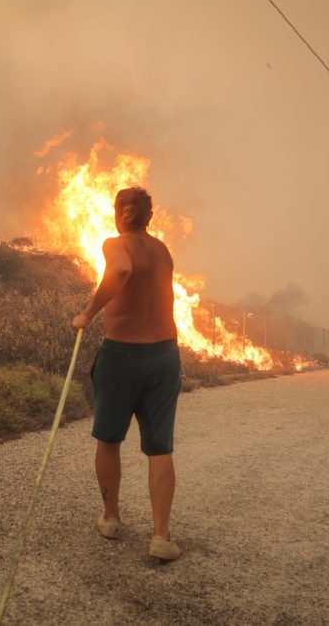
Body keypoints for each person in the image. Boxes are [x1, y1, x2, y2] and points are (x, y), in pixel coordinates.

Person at [71, 187, 183, 561]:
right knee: (159, 447)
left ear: (120, 214)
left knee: (109, 439)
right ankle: (161, 538)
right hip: (165, 356)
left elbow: (121, 270)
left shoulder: (115, 243)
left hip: (122, 357)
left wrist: (88, 312)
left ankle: (111, 518)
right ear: (149, 217)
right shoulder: (163, 250)